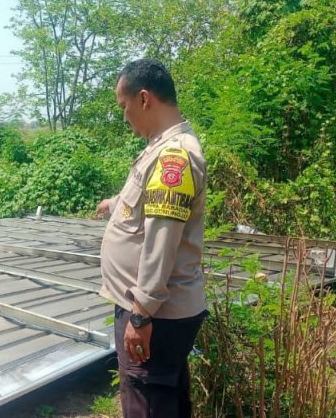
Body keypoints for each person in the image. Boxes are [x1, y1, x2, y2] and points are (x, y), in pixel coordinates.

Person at [97, 59, 208, 418]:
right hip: (159, 311)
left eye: (124, 106)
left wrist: (141, 315)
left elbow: (162, 237)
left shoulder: (173, 156)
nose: (124, 116)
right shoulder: (161, 148)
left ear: (144, 99)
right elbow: (149, 206)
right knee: (166, 401)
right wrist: (114, 204)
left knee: (146, 403)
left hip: (155, 314)